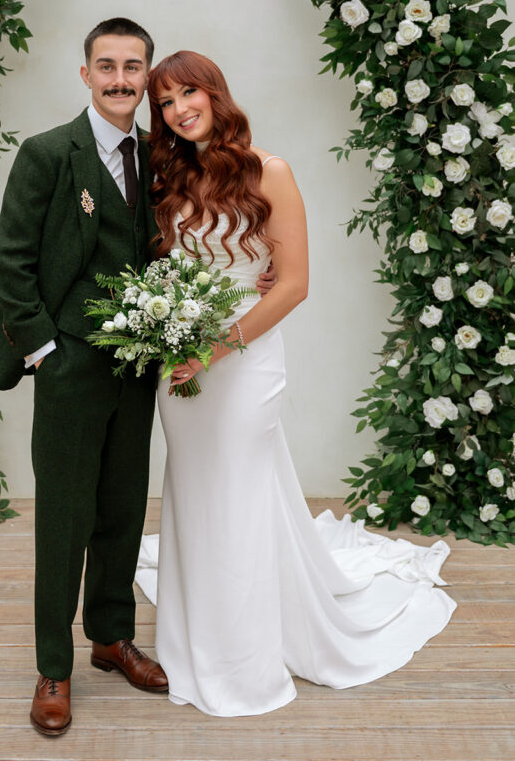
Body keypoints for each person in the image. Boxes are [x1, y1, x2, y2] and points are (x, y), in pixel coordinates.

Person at [0, 20, 275, 735]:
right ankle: (54, 665)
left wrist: (249, 256)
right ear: (85, 75)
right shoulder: (48, 153)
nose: (119, 79)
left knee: (120, 510)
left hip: (140, 369)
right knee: (64, 519)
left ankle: (110, 637)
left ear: (145, 79)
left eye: (132, 67)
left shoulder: (156, 154)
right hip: (69, 364)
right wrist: (45, 352)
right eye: (105, 65)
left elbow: (187, 237)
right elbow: (10, 262)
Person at [136, 49, 456, 718]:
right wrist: (166, 335)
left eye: (187, 93)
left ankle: (244, 662)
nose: (177, 109)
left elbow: (296, 285)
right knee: (198, 494)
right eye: (164, 102)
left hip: (243, 359)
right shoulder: (165, 177)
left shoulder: (267, 172)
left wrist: (215, 349)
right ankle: (199, 637)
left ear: (215, 94)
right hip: (181, 366)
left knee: (241, 495)